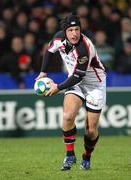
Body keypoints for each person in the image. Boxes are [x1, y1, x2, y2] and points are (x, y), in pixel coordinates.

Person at [36, 14, 106, 170]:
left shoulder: (84, 47)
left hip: (95, 85)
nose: (75, 33)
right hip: (76, 83)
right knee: (67, 116)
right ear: (64, 32)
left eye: (77, 29)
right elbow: (49, 51)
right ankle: (69, 155)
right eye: (71, 30)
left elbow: (78, 75)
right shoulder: (58, 38)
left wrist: (58, 87)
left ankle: (86, 156)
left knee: (90, 130)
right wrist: (43, 72)